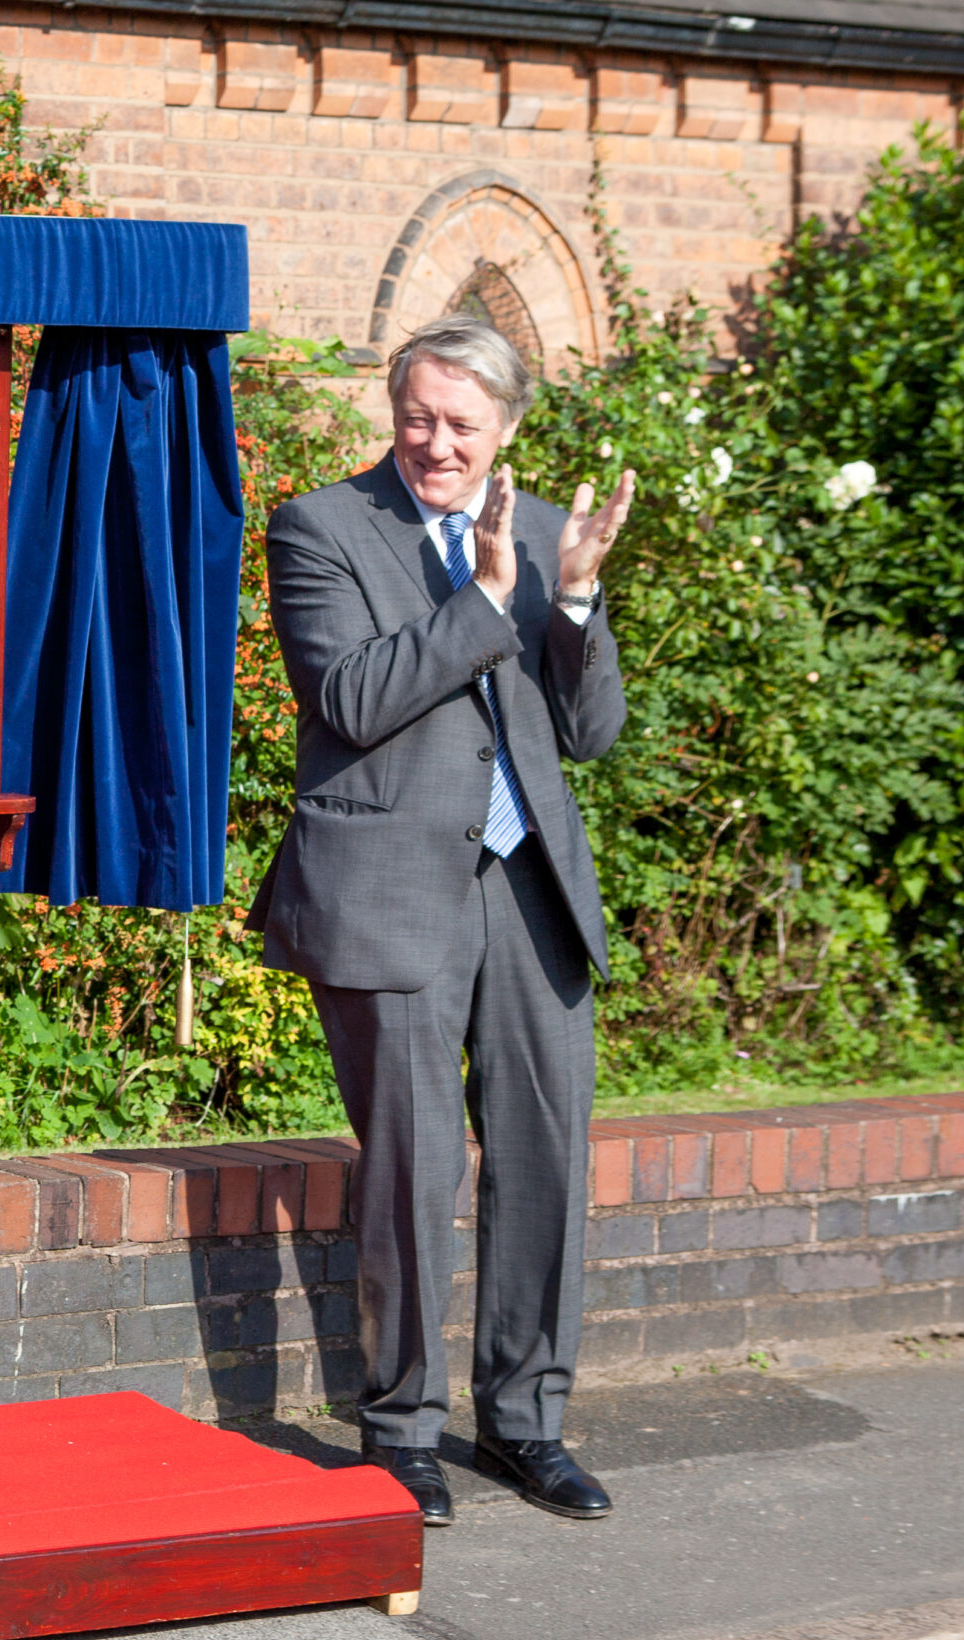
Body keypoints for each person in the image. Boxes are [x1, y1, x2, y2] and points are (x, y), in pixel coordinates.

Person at [247, 316, 638, 1528]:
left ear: (507, 430)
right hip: (389, 891)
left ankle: (526, 1422)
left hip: (529, 892)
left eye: (463, 424)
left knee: (543, 1158)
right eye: (418, 416)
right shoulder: (321, 527)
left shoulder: (535, 532)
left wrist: (570, 601)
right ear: (392, 410)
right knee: (410, 1169)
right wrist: (481, 598)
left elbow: (589, 734)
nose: (435, 442)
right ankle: (401, 1432)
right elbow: (352, 696)